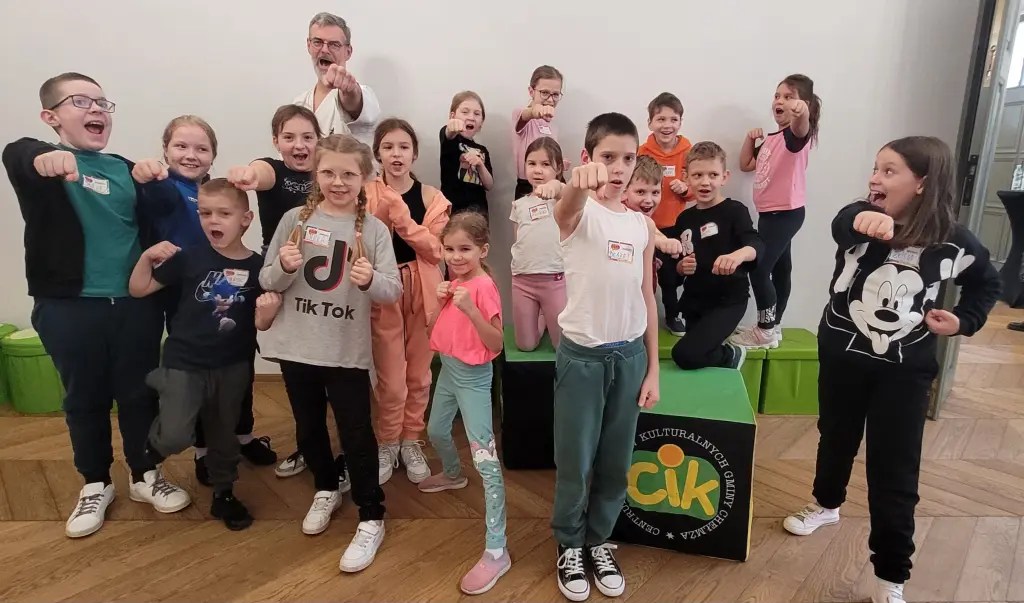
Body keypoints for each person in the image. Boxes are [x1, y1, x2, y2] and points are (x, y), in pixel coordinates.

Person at [781, 137, 1000, 603]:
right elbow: (845, 223)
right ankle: (826, 503)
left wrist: (964, 320)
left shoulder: (953, 241)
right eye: (875, 168)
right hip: (843, 355)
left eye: (889, 171)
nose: (874, 178)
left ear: (922, 182)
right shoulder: (859, 216)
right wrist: (866, 218)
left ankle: (890, 576)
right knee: (835, 434)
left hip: (905, 371)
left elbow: (986, 283)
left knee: (895, 468)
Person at [1, 72, 189, 539]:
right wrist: (43, 156)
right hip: (68, 306)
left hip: (134, 304)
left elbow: (168, 208)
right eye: (81, 101)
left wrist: (155, 179)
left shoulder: (125, 168)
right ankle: (95, 483)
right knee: (83, 398)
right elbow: (16, 154)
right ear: (51, 116)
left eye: (103, 103)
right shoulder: (42, 163)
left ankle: (144, 474)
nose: (97, 110)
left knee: (138, 394)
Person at [260, 134, 401, 572]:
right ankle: (325, 487)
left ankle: (371, 514)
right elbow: (267, 279)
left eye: (348, 174)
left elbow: (392, 290)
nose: (338, 182)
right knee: (308, 428)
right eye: (328, 173)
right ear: (315, 175)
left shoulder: (374, 229)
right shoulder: (293, 219)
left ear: (365, 178)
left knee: (356, 434)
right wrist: (283, 267)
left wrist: (369, 279)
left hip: (344, 351)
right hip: (296, 346)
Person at [548, 113, 660, 601]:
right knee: (576, 459)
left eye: (628, 158)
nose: (618, 168)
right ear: (587, 158)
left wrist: (653, 369)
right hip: (583, 360)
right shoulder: (579, 213)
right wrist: (577, 183)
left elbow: (646, 297)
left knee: (616, 461)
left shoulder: (641, 225)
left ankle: (598, 540)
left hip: (629, 358)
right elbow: (566, 210)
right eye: (608, 157)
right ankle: (569, 544)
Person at [128, 178, 279, 531]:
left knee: (224, 433)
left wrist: (268, 314)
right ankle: (154, 437)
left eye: (224, 213)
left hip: (232, 364)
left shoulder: (259, 268)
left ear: (245, 219)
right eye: (205, 213)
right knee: (176, 434)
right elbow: (139, 289)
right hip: (185, 361)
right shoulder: (189, 258)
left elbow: (262, 323)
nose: (213, 220)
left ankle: (224, 493)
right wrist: (147, 257)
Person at [137, 116, 277, 487]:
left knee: (232, 388)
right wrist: (146, 173)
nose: (191, 154)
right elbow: (154, 198)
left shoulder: (209, 193)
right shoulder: (166, 188)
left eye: (201, 148)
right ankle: (200, 447)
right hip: (184, 302)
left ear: (213, 155)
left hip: (225, 314)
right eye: (180, 146)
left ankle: (234, 450)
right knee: (194, 386)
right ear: (165, 150)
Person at [419, 211, 509, 595]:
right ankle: (453, 474)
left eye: (465, 249)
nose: (456, 256)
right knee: (436, 430)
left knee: (486, 460)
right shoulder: (453, 281)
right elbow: (431, 330)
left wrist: (471, 309)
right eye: (449, 249)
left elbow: (497, 343)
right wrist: (440, 303)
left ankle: (497, 549)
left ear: (482, 250)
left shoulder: (484, 287)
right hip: (449, 368)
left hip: (473, 377)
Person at [367, 118, 451, 484]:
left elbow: (436, 251)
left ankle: (410, 439)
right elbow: (362, 242)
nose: (396, 154)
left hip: (424, 291)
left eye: (403, 147)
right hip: (383, 288)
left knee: (418, 374)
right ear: (378, 154)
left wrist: (401, 218)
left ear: (414, 153)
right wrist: (382, 214)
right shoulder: (365, 193)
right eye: (388, 147)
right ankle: (387, 441)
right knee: (390, 376)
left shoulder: (432, 198)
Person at [731, 74, 822, 349]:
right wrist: (750, 140)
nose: (779, 101)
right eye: (777, 96)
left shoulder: (795, 136)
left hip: (784, 213)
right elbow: (746, 164)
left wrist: (802, 113)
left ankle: (765, 329)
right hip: (771, 214)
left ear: (804, 104)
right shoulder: (774, 139)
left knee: (758, 269)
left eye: (788, 96)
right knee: (782, 269)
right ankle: (775, 324)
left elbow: (802, 128)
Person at [667, 142, 762, 370]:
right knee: (697, 362)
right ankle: (724, 361)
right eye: (697, 175)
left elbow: (755, 244)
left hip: (728, 301)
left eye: (713, 175)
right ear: (686, 177)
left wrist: (737, 256)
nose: (705, 182)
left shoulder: (735, 211)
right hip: (694, 301)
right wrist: (681, 267)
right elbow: (676, 265)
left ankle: (730, 354)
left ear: (724, 177)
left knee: (685, 355)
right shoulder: (685, 219)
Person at [638, 92, 694, 336]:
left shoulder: (688, 151)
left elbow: (699, 186)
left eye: (673, 119)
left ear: (680, 122)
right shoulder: (641, 151)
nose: (667, 125)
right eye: (660, 119)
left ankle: (673, 315)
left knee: (672, 276)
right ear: (650, 123)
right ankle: (639, 319)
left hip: (674, 227)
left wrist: (686, 189)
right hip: (644, 225)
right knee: (642, 276)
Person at [509, 137, 567, 351]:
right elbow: (518, 240)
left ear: (558, 168)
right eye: (532, 163)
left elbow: (570, 193)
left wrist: (556, 187)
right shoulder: (519, 204)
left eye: (545, 164)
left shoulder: (563, 201)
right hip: (522, 280)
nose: (537, 170)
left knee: (561, 346)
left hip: (554, 279)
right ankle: (541, 317)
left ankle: (546, 314)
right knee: (525, 345)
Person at [294, 12, 381, 148]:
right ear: (308, 46)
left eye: (334, 44)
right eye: (317, 42)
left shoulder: (363, 95)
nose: (324, 50)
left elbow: (353, 101)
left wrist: (350, 90)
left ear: (348, 52)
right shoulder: (299, 103)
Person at [513, 66, 564, 199]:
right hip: (527, 185)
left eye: (555, 94)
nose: (550, 100)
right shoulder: (521, 115)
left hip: (551, 185)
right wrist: (535, 111)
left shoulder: (553, 126)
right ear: (531, 91)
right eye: (545, 93)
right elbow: (526, 115)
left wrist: (559, 162)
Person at [439, 91, 493, 217]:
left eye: (477, 114)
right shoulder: (451, 140)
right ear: (453, 115)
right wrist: (452, 126)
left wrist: (480, 164)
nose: (471, 117)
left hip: (479, 213)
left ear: (481, 122)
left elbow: (489, 185)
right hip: (454, 212)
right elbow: (447, 133)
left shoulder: (482, 150)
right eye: (465, 112)